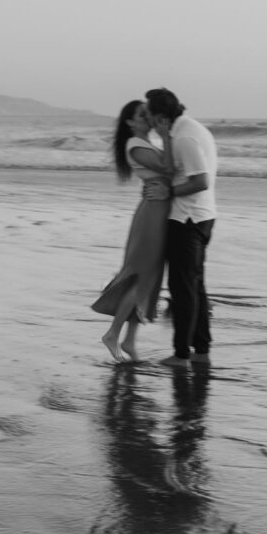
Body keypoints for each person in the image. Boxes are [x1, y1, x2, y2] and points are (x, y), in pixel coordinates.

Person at [91, 99, 173, 362]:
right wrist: (167, 136)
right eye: (142, 115)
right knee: (140, 277)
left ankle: (129, 341)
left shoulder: (145, 144)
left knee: (150, 278)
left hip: (158, 209)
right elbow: (168, 168)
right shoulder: (136, 145)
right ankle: (113, 334)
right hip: (152, 214)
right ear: (130, 122)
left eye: (147, 113)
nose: (147, 117)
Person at [145, 88, 217, 368]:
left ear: (161, 116)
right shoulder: (184, 130)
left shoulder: (185, 137)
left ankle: (181, 355)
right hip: (200, 216)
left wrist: (169, 192)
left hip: (188, 219)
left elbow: (201, 181)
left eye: (150, 116)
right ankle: (201, 351)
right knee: (195, 286)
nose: (148, 121)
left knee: (182, 288)